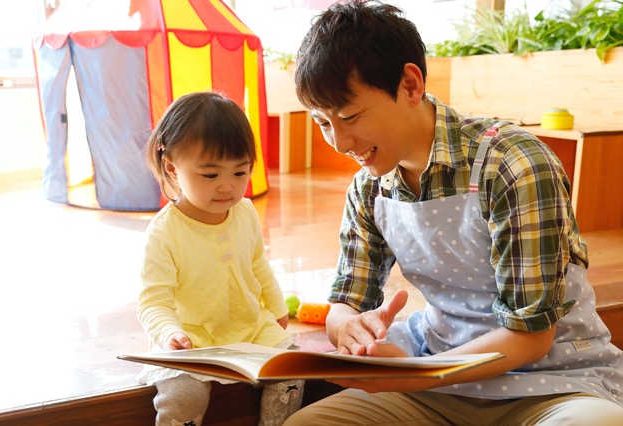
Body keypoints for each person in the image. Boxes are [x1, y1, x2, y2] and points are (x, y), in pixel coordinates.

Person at [284, 1, 623, 424]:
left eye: (349, 116)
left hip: (553, 383)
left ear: (410, 85)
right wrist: (349, 330)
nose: (338, 141)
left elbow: (532, 339)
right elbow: (345, 304)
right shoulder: (369, 188)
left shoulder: (513, 163)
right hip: (434, 380)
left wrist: (412, 375)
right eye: (323, 123)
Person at [138, 91, 303, 426]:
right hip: (190, 338)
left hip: (248, 326)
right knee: (183, 396)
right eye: (211, 175)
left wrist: (275, 307)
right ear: (172, 167)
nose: (227, 187)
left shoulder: (244, 212)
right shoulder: (164, 232)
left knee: (294, 370)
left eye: (240, 173)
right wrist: (170, 333)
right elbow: (153, 301)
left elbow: (258, 264)